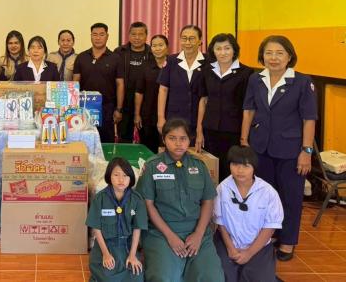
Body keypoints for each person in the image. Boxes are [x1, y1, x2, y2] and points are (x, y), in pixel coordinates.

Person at [241, 35, 317, 261]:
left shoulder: (302, 82)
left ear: (289, 56)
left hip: (291, 150)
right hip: (260, 147)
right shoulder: (256, 79)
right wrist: (244, 140)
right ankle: (269, 234)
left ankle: (288, 241)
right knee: (264, 195)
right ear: (262, 56)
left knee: (290, 197)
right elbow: (248, 110)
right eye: (268, 53)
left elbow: (309, 119)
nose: (273, 58)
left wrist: (306, 151)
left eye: (279, 53)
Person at [135, 118, 224, 282]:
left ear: (189, 140)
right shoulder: (152, 166)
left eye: (183, 138)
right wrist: (170, 236)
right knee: (162, 278)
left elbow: (208, 201)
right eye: (172, 138)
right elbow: (148, 205)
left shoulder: (199, 166)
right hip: (161, 233)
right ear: (164, 139)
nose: (178, 143)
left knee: (212, 277)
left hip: (197, 231)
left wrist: (198, 234)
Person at [213, 146, 284, 282]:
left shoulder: (268, 192)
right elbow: (220, 222)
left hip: (258, 246)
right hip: (228, 243)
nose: (240, 170)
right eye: (235, 164)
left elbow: (270, 227)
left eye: (246, 166)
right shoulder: (222, 188)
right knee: (223, 276)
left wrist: (249, 253)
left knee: (259, 278)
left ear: (254, 168)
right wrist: (230, 248)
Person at [195, 33, 253, 181]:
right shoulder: (206, 70)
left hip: (234, 131)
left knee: (231, 171)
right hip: (210, 129)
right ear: (213, 51)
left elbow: (248, 108)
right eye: (218, 48)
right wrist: (199, 131)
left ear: (234, 50)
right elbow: (203, 100)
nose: (223, 52)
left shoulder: (246, 73)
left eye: (227, 48)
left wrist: (244, 138)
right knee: (211, 172)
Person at [86, 157, 148, 282]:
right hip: (106, 246)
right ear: (109, 176)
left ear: (130, 178)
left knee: (137, 277)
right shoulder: (100, 198)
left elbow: (137, 229)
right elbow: (96, 228)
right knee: (107, 277)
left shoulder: (137, 199)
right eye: (116, 175)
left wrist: (132, 255)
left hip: (127, 247)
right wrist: (106, 254)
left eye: (125, 175)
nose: (121, 179)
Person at [74, 23, 124, 143]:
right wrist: (74, 107)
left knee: (106, 141)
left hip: (107, 108)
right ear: (91, 36)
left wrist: (119, 109)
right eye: (95, 34)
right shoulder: (81, 57)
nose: (98, 38)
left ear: (107, 36)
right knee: (85, 140)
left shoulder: (116, 58)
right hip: (84, 107)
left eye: (101, 34)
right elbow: (75, 83)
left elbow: (120, 84)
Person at [157, 25, 207, 141]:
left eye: (192, 38)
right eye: (184, 38)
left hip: (199, 120)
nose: (187, 42)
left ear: (200, 40)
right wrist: (160, 117)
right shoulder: (171, 60)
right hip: (174, 118)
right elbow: (163, 89)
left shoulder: (208, 61)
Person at [115, 22, 154, 142]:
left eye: (140, 34)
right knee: (123, 139)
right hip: (124, 102)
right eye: (133, 34)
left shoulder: (152, 53)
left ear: (146, 35)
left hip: (146, 104)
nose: (137, 37)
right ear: (128, 35)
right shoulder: (119, 52)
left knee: (147, 139)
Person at [134, 34, 169, 153]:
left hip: (169, 115)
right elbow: (139, 92)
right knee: (148, 149)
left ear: (167, 47)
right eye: (154, 46)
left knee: (167, 149)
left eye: (160, 45)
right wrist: (137, 114)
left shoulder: (173, 65)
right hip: (148, 115)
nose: (157, 48)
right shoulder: (145, 66)